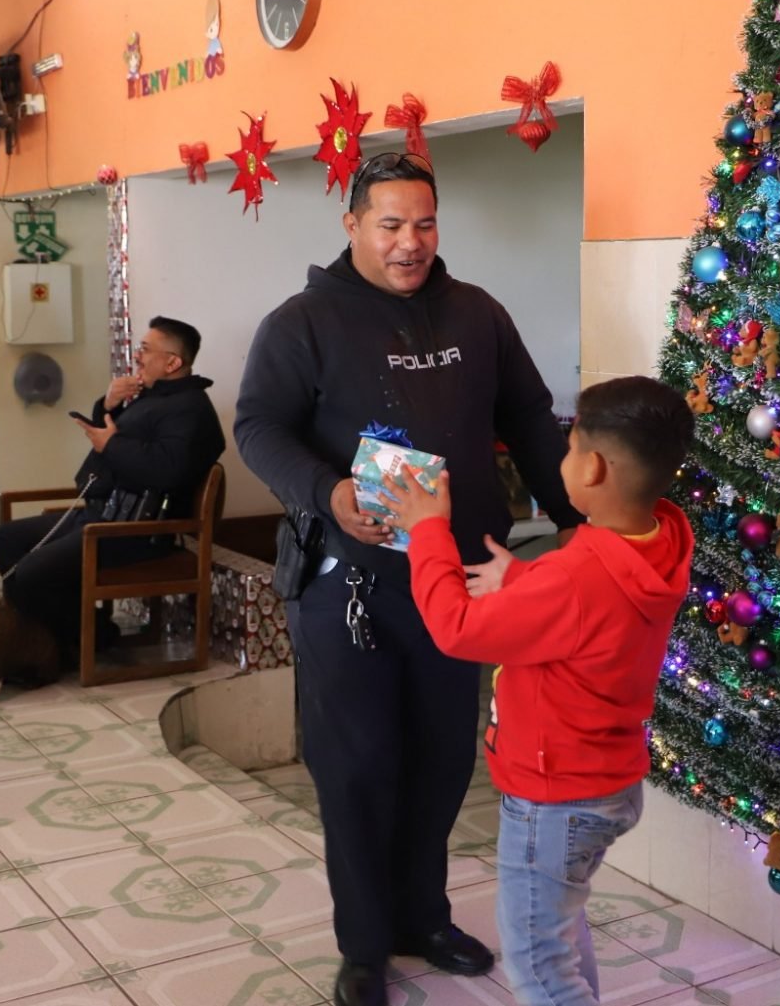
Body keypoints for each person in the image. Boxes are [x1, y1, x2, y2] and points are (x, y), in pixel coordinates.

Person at [234, 152, 582, 1006]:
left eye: (424, 224)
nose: (409, 243)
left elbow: (529, 418)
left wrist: (580, 522)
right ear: (352, 224)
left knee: (440, 757)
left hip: (457, 585)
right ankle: (363, 943)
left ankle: (423, 915)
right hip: (349, 584)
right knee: (356, 767)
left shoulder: (477, 312)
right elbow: (258, 426)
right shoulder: (302, 322)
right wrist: (329, 492)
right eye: (389, 225)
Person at [380, 375, 695, 1006]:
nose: (564, 460)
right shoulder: (662, 537)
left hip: (555, 797)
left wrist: (429, 531)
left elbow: (456, 628)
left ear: (594, 468)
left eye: (570, 448)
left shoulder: (574, 575)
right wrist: (525, 579)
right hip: (606, 784)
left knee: (537, 965)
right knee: (559, 934)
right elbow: (596, 610)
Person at [0, 316, 225, 655]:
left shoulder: (191, 409)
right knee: (7, 538)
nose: (138, 356)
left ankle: (92, 638)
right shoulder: (153, 396)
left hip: (134, 531)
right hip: (101, 516)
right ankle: (50, 639)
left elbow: (167, 470)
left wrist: (111, 445)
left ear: (172, 362)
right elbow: (118, 438)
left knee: (32, 573)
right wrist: (109, 405)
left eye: (145, 349)